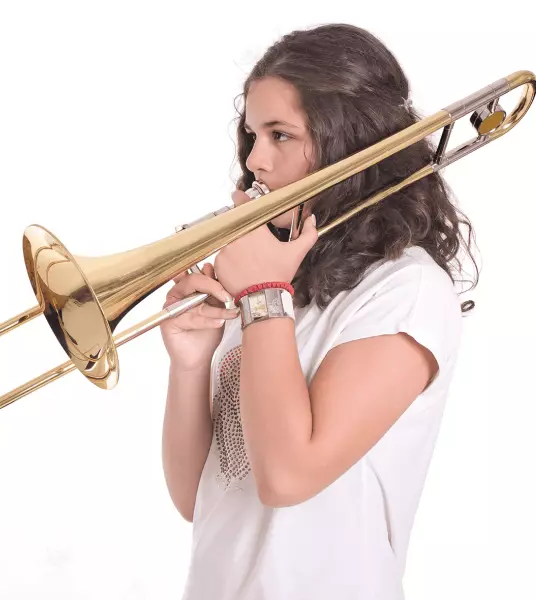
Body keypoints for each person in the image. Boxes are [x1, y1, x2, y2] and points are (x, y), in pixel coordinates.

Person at [159, 23, 478, 600]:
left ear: (346, 142)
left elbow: (286, 477)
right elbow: (195, 499)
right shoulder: (277, 284)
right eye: (252, 135)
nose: (255, 160)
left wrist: (263, 293)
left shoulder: (405, 290)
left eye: (280, 135)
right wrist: (189, 364)